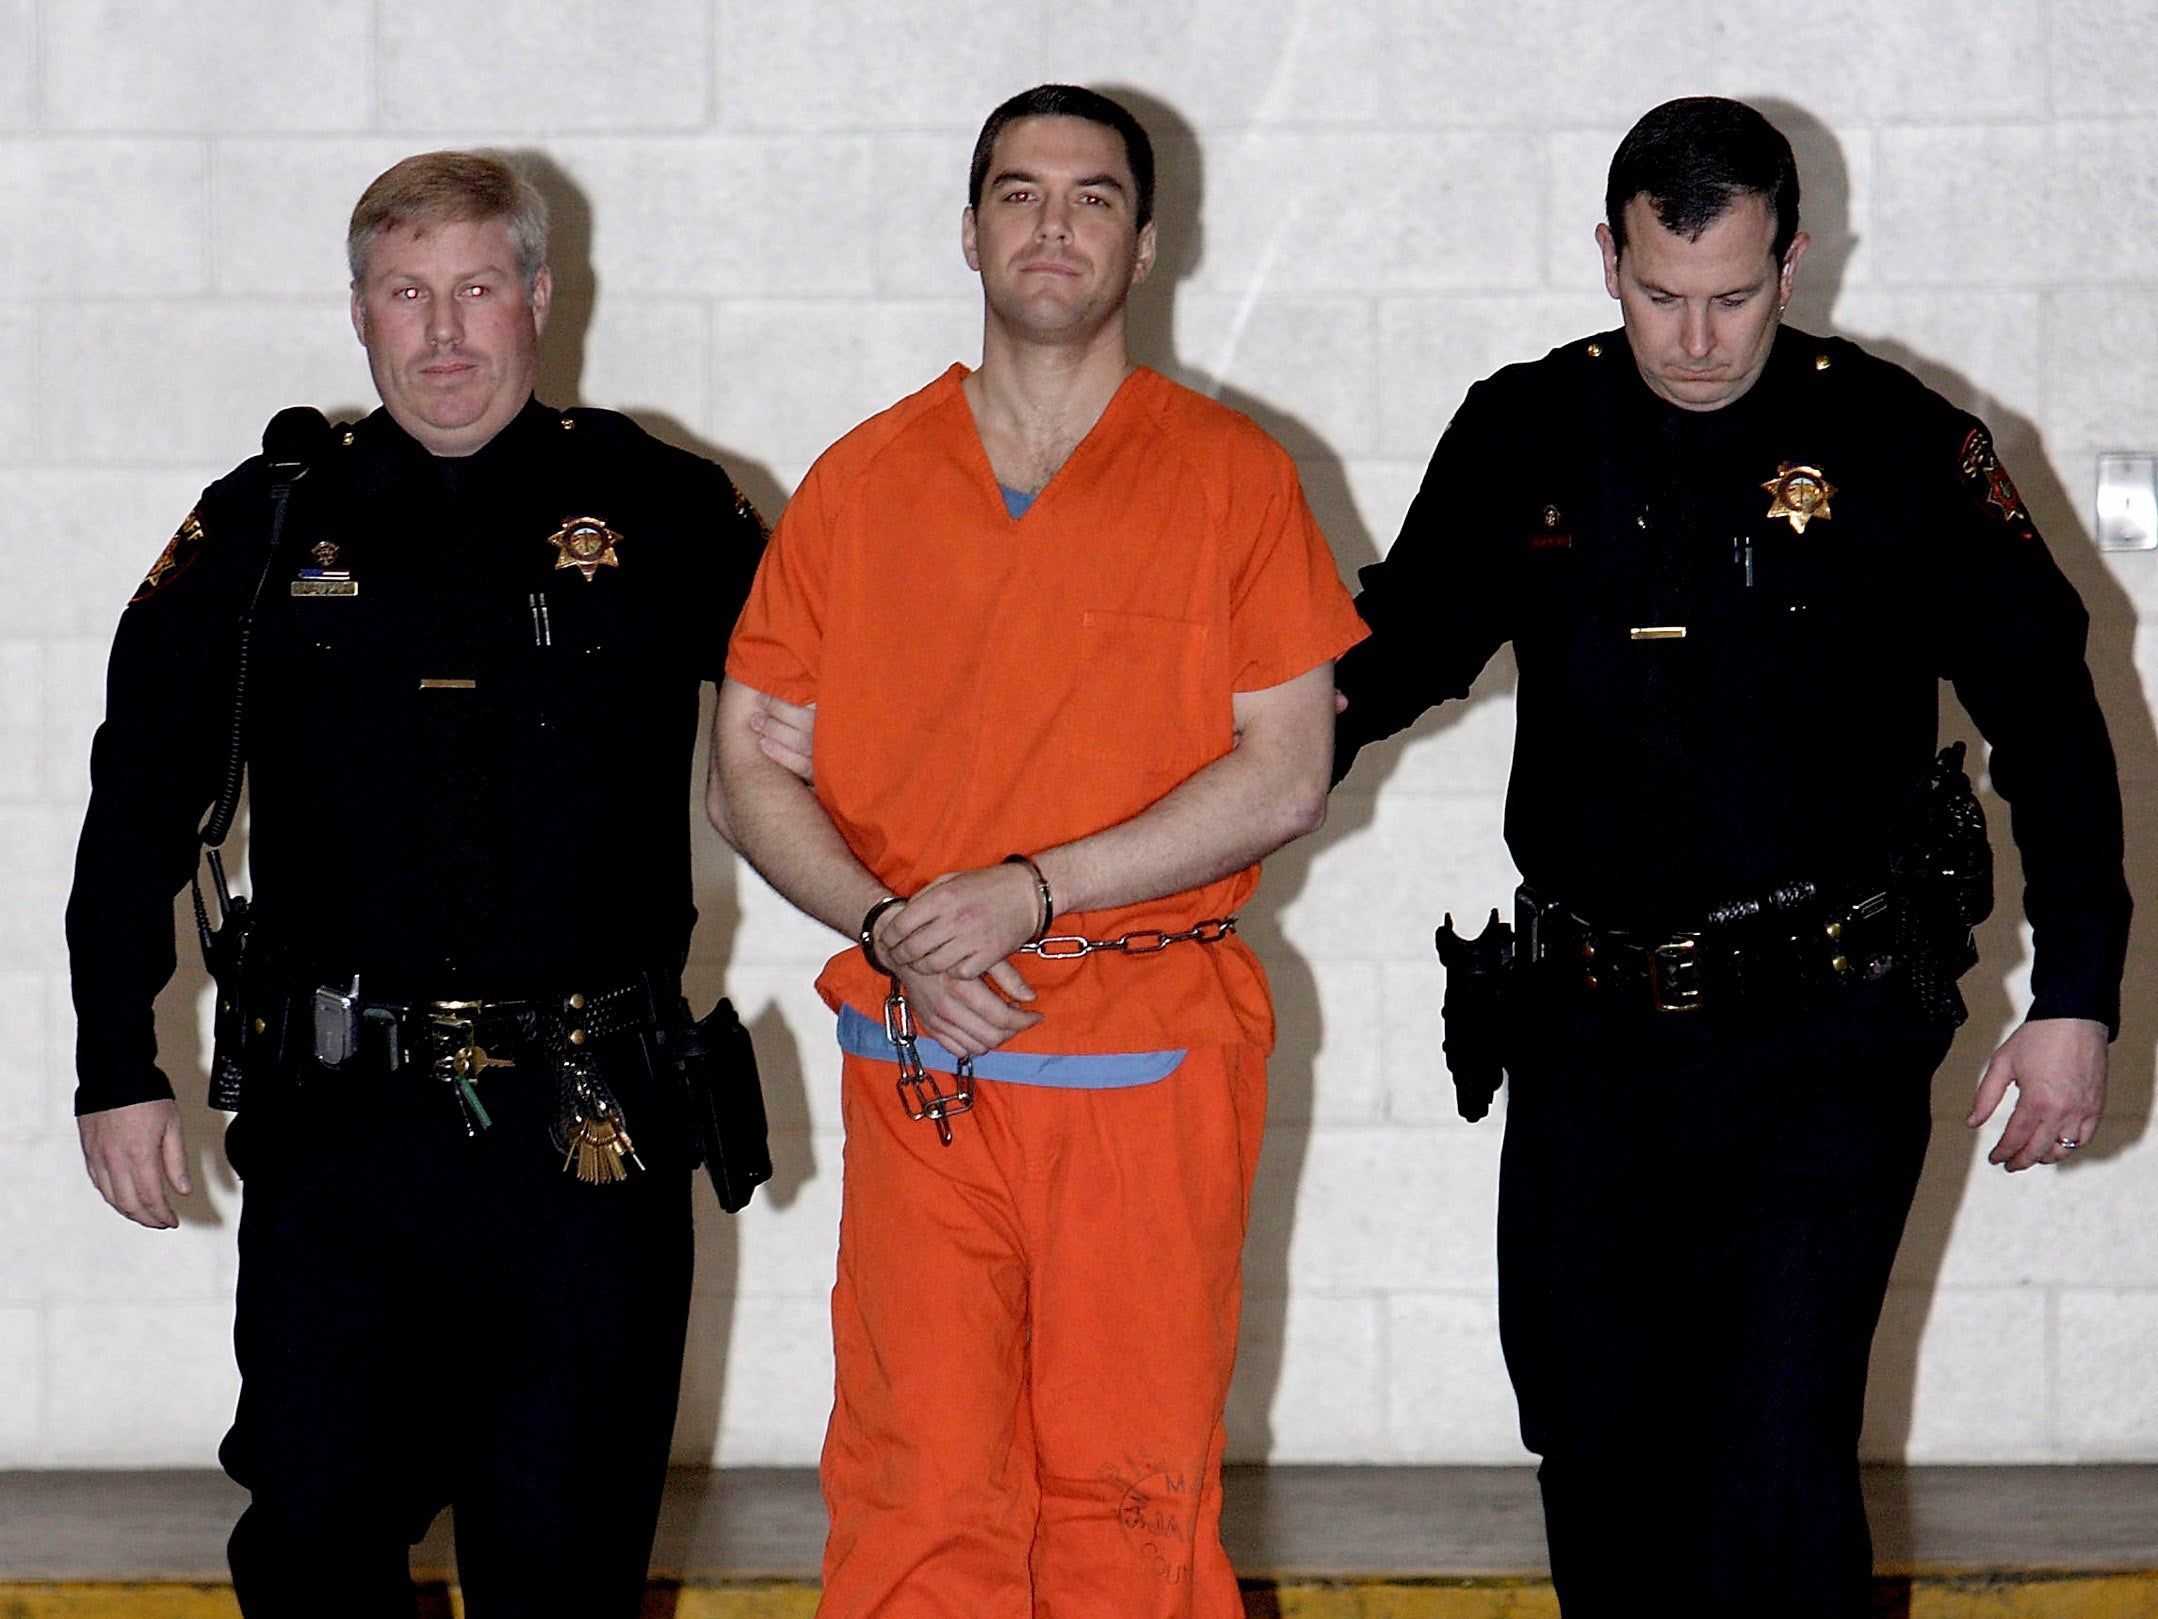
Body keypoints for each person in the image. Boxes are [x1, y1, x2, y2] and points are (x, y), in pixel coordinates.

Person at [1333, 96, 2131, 1616]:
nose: (1694, 340)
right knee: (1595, 1454)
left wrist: (2075, 994)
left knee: (1769, 1483)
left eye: (1733, 297)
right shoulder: (1528, 430)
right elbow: (1378, 671)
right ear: (1605, 258)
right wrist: (1158, 811)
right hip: (1582, 1036)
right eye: (1656, 296)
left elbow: (2050, 722)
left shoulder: (1898, 445)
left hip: (1819, 1037)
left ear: (1794, 260)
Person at [66, 151, 771, 1616]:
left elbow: (845, 736)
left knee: (563, 1572)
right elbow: (136, 797)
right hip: (345, 1137)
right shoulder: (268, 525)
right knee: (314, 1552)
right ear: (358, 313)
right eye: (405, 293)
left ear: (537, 299)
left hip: (589, 1139)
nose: (442, 333)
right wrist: (114, 1061)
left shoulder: (665, 510)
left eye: (473, 290)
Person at [711, 83, 1365, 1619]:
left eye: (1088, 198)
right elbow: (748, 766)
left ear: (1145, 246)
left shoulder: (1231, 479)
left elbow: (1284, 774)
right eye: (1017, 193)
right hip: (920, 1057)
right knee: (909, 1487)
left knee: (1127, 1496)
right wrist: (894, 932)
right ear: (968, 231)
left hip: (1142, 1062)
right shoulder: (862, 483)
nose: (1050, 224)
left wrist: (1033, 892)